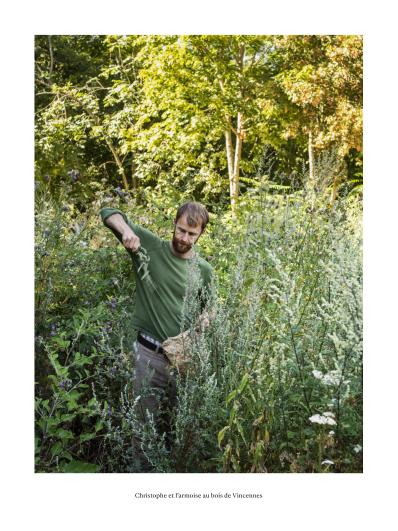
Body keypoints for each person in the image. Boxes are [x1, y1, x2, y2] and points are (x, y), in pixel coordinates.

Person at [100, 201, 213, 468]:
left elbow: (210, 307)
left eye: (191, 234)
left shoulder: (204, 270)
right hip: (149, 356)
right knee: (143, 429)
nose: (184, 238)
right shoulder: (150, 246)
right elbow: (108, 213)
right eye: (181, 230)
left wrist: (205, 321)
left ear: (201, 235)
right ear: (174, 224)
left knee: (179, 430)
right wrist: (125, 231)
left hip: (183, 362)